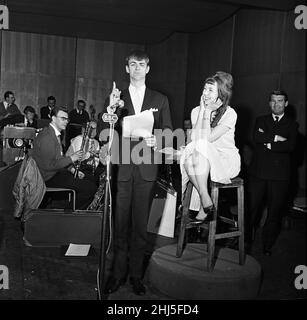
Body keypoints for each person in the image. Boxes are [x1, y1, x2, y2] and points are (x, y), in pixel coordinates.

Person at [104, 50, 173, 296]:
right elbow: (108, 126)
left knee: (140, 227)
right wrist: (112, 107)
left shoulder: (160, 98)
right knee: (120, 224)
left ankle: (135, 276)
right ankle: (117, 274)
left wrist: (159, 139)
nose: (136, 69)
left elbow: (168, 130)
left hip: (146, 169)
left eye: (141, 65)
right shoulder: (117, 96)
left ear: (148, 68)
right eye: (132, 64)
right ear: (126, 69)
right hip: (123, 167)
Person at [180, 71, 240, 223]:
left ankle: (203, 201)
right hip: (202, 159)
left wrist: (207, 111)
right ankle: (206, 198)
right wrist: (202, 111)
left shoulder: (230, 113)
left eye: (210, 90)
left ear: (221, 93)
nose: (205, 93)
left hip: (225, 160)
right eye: (204, 89)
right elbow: (193, 139)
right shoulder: (195, 111)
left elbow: (207, 139)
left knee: (195, 150)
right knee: (192, 154)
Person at [247, 90, 297, 256]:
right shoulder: (261, 120)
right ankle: (245, 243)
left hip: (280, 177)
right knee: (251, 209)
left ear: (286, 104)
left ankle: (267, 246)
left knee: (274, 213)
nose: (276, 104)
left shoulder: (292, 124)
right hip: (258, 174)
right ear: (269, 103)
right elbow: (256, 137)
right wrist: (277, 138)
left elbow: (290, 146)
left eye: (280, 101)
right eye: (273, 101)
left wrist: (268, 143)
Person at [32, 105, 97, 209]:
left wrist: (71, 169)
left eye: (67, 119)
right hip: (48, 178)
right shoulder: (47, 137)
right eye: (63, 118)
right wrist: (72, 158)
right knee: (89, 188)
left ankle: (70, 211)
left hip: (55, 172)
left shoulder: (54, 134)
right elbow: (49, 165)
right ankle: (68, 213)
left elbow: (58, 159)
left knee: (91, 179)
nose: (66, 121)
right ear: (53, 118)